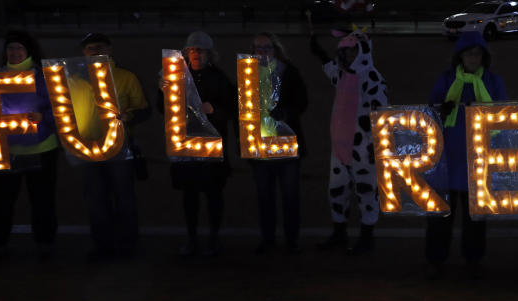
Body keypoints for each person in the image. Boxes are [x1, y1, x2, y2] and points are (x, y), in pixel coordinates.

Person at [426, 31, 507, 279]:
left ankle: (473, 258)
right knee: (441, 213)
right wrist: (441, 107)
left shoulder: (493, 81)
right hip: (448, 157)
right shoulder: (446, 79)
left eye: (478, 53)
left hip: (478, 157)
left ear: (484, 56)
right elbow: (431, 110)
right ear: (460, 56)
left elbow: (503, 112)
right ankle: (436, 258)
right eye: (469, 53)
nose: (473, 57)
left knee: (475, 215)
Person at [0, 30, 59, 261]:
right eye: (10, 48)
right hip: (6, 150)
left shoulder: (44, 76)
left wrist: (43, 117)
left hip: (42, 147)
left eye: (19, 48)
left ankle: (45, 244)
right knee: (0, 201)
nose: (14, 52)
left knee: (42, 201)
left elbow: (60, 108)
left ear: (29, 51)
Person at [157, 31, 236, 257]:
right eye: (192, 50)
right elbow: (163, 108)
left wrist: (215, 111)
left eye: (200, 50)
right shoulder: (176, 78)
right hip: (187, 149)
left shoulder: (220, 79)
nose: (195, 54)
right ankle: (192, 238)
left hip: (211, 149)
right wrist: (163, 91)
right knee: (189, 196)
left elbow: (233, 110)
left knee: (213, 196)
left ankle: (213, 237)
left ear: (209, 54)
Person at [310, 27, 388, 255]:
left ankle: (366, 237)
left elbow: (381, 111)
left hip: (364, 150)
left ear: (363, 51)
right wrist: (319, 53)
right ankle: (340, 233)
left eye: (353, 51)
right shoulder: (343, 75)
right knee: (336, 191)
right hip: (340, 148)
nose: (349, 56)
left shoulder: (373, 78)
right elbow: (330, 69)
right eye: (345, 53)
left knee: (366, 192)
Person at [78, 33, 150, 259]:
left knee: (123, 196)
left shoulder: (126, 77)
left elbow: (144, 109)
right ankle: (103, 246)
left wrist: (130, 116)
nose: (96, 50)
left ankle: (128, 245)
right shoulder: (74, 79)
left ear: (110, 50)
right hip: (87, 148)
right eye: (91, 47)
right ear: (83, 52)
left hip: (120, 146)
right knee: (96, 199)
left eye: (100, 47)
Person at [248, 32, 308, 255]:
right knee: (265, 197)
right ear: (253, 50)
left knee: (289, 196)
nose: (262, 52)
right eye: (258, 48)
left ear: (275, 49)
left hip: (286, 144)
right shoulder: (247, 75)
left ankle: (291, 240)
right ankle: (268, 239)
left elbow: (302, 101)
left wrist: (286, 113)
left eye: (266, 48)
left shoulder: (288, 72)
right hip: (260, 146)